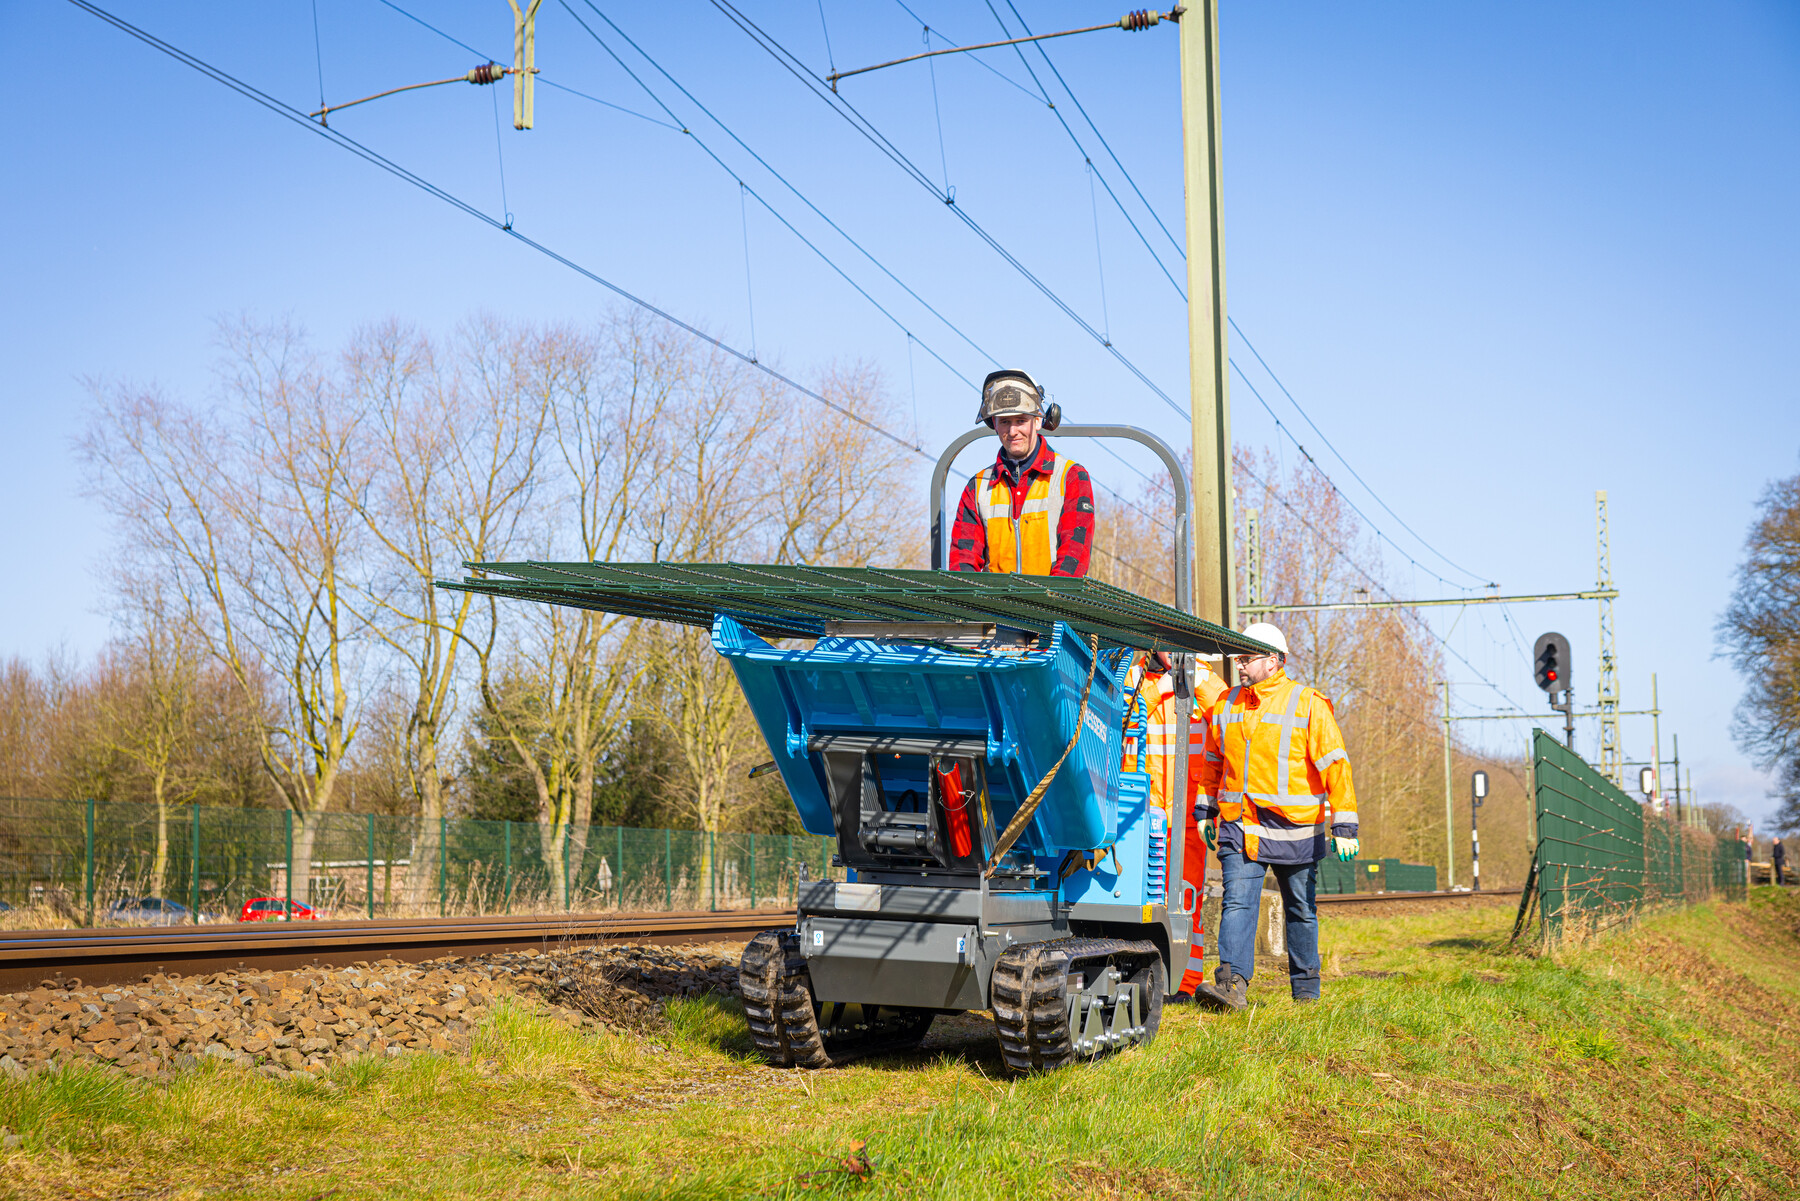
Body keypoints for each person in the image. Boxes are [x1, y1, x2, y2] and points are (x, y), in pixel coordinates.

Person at [1193, 622, 1358, 1009]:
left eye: (1247, 658)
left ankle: (1305, 991)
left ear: (1273, 660)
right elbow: (1213, 761)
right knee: (1237, 902)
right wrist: (1206, 808)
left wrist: (1344, 825)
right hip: (1240, 824)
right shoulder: (1227, 704)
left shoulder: (1308, 703)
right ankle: (1231, 984)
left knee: (1300, 908)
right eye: (1237, 658)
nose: (1240, 665)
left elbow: (1337, 766)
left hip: (1295, 829)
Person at [1121, 654, 1227, 998]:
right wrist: (1158, 690)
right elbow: (1118, 715)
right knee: (1140, 899)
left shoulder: (1202, 678)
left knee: (1186, 896)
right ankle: (1144, 978)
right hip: (1143, 810)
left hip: (1187, 810)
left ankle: (1186, 982)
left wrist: (1193, 679)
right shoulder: (1133, 677)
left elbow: (1224, 713)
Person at [948, 370, 1094, 577]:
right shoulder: (978, 487)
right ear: (994, 425)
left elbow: (1073, 557)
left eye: (1020, 420)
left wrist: (1050, 603)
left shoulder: (1070, 477)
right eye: (1005, 421)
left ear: (1037, 421)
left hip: (1052, 605)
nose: (1013, 431)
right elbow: (963, 561)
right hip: (996, 607)